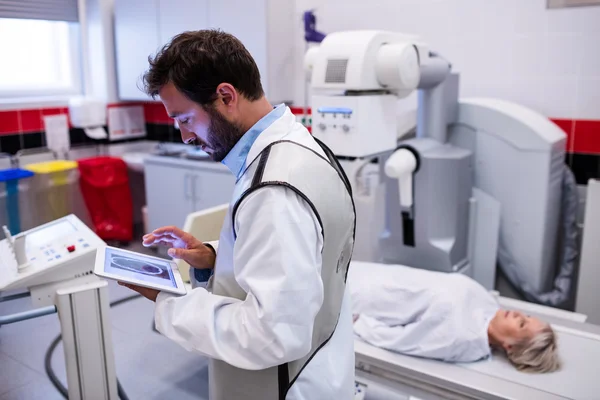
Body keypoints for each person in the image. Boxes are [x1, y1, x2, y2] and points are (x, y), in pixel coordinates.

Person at [119, 29, 357, 400]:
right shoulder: (304, 147)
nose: (184, 136)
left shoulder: (273, 189)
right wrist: (216, 257)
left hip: (284, 386)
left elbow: (270, 334)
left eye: (184, 118)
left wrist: (169, 301)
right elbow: (306, 256)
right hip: (321, 367)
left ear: (226, 96)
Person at [349, 262, 560, 373]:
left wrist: (361, 324)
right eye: (526, 315)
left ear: (509, 346)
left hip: (362, 297)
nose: (517, 314)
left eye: (521, 323)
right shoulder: (488, 306)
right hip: (377, 274)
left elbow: (404, 341)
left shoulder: (462, 339)